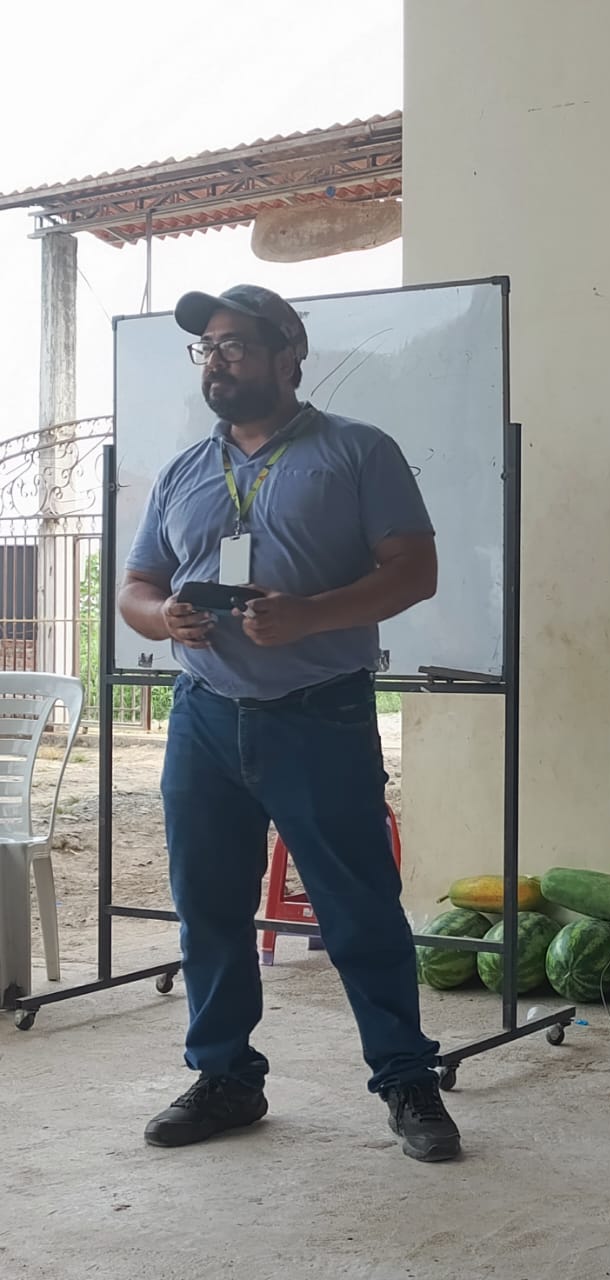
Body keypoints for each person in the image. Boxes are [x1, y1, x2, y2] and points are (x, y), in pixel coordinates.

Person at [120, 285, 459, 1162]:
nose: (217, 360)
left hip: (319, 716)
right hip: (204, 719)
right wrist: (164, 620)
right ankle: (225, 1077)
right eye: (206, 348)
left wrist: (310, 616)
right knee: (210, 909)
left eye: (234, 344)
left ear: (287, 355)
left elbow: (414, 569)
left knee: (358, 910)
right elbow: (138, 587)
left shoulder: (356, 451)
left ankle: (406, 1079)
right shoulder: (184, 471)